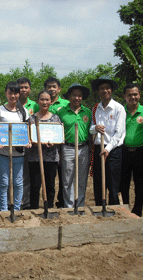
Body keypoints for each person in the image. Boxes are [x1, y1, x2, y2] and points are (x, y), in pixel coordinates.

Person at [90, 75, 126, 206]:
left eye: (107, 88)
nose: (105, 91)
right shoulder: (95, 109)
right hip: (99, 149)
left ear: (111, 90)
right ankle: (100, 209)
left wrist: (108, 149)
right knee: (98, 183)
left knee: (112, 183)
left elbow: (119, 133)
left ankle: (114, 211)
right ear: (98, 91)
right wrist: (95, 128)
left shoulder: (118, 108)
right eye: (102, 88)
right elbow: (91, 130)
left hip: (113, 151)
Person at [0, 81, 30, 211]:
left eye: (15, 93)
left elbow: (27, 130)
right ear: (6, 93)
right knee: (4, 182)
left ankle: (16, 208)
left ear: (19, 94)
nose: (13, 96)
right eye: (10, 93)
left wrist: (28, 141)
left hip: (18, 153)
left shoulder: (23, 111)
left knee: (18, 183)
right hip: (3, 153)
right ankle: (4, 209)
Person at [120, 84, 143, 216]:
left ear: (139, 95)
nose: (133, 97)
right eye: (129, 95)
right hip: (123, 151)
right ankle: (125, 210)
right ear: (124, 96)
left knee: (140, 183)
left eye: (135, 94)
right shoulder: (120, 111)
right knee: (124, 182)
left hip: (140, 152)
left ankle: (138, 210)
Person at [57, 83, 92, 208]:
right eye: (74, 95)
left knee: (82, 180)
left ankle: (80, 205)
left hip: (83, 148)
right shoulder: (62, 112)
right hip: (67, 148)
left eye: (79, 96)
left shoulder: (87, 111)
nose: (77, 98)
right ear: (69, 97)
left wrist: (90, 151)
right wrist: (60, 153)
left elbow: (91, 133)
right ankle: (69, 206)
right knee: (67, 180)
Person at [28, 90, 60, 209]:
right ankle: (34, 209)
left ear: (51, 102)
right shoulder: (31, 119)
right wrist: (33, 142)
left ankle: (49, 207)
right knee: (35, 186)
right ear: (37, 101)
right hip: (35, 158)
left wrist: (54, 143)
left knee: (50, 186)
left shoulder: (56, 119)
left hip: (51, 158)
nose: (44, 102)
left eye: (47, 100)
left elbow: (59, 137)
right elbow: (28, 137)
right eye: (42, 99)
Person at [44, 77, 69, 208]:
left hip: (64, 146)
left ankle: (62, 201)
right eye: (49, 87)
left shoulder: (66, 104)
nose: (52, 89)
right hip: (47, 149)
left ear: (59, 89)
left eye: (54, 86)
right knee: (51, 178)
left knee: (64, 176)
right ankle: (48, 203)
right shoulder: (42, 103)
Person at [16, 77, 39, 210]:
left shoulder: (35, 105)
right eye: (20, 87)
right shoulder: (12, 103)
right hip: (14, 146)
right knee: (15, 176)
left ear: (30, 89)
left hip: (31, 146)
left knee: (27, 176)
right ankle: (13, 202)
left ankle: (25, 202)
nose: (23, 90)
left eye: (26, 87)